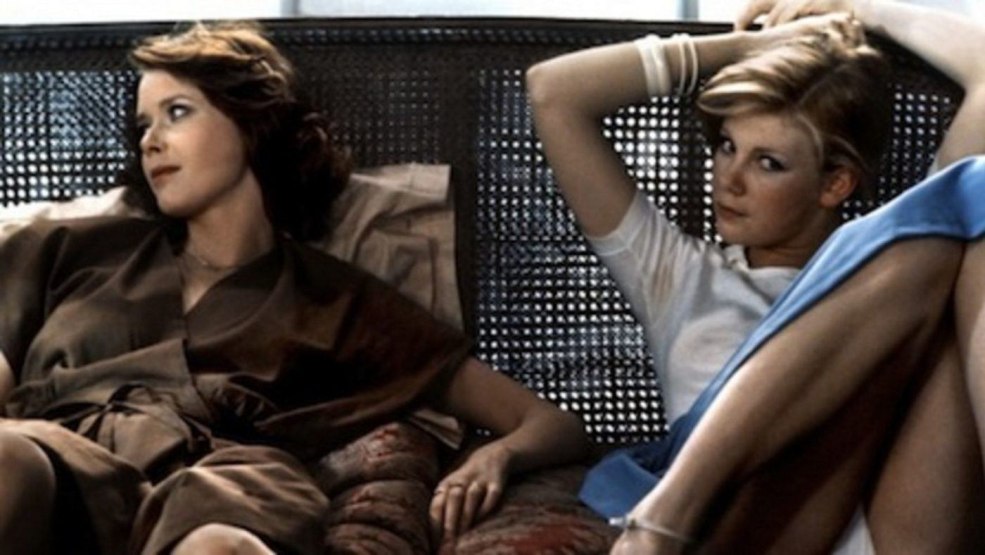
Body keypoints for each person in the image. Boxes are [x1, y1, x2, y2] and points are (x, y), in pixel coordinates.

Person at [0, 21, 590, 554]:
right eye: (143, 125)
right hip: (58, 464)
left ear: (250, 122)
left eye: (177, 112)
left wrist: (497, 455)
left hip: (220, 486)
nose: (151, 140)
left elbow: (550, 422)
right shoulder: (80, 250)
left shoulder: (335, 302)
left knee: (221, 548)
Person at [526, 0, 985, 552]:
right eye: (727, 146)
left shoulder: (898, 272)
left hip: (895, 529)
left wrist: (861, 6)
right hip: (744, 524)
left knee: (974, 195)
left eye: (768, 162)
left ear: (835, 184)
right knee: (949, 222)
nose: (730, 179)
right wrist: (750, 47)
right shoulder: (674, 271)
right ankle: (663, 519)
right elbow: (554, 92)